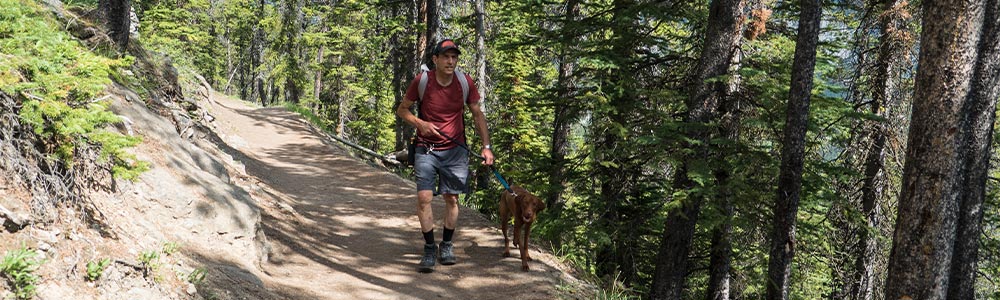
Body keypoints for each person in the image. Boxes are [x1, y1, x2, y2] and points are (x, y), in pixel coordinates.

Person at [396, 39, 494, 273]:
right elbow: (402, 110)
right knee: (424, 198)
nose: (451, 61)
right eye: (446, 57)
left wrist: (486, 146)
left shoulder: (464, 81)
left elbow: (477, 114)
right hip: (426, 149)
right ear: (435, 59)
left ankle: (446, 245)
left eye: (454, 57)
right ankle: (430, 248)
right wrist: (420, 124)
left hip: (456, 150)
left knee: (452, 199)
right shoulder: (422, 81)